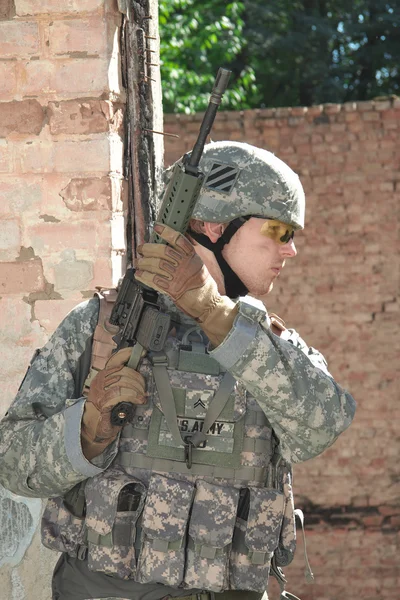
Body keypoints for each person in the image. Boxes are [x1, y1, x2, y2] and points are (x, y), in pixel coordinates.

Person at [0, 141, 356, 600]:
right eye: (279, 230)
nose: (291, 251)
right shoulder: (100, 327)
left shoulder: (269, 344)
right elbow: (11, 462)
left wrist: (212, 311)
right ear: (212, 225)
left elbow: (322, 426)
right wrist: (86, 431)